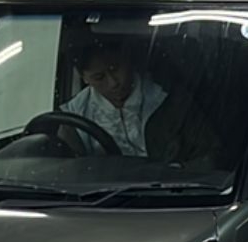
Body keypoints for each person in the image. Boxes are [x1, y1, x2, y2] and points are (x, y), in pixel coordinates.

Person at [59, 38, 221, 165]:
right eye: (99, 77)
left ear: (127, 59)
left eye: (115, 69)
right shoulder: (74, 116)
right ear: (85, 78)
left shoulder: (169, 99)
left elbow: (209, 155)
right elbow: (66, 170)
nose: (113, 83)